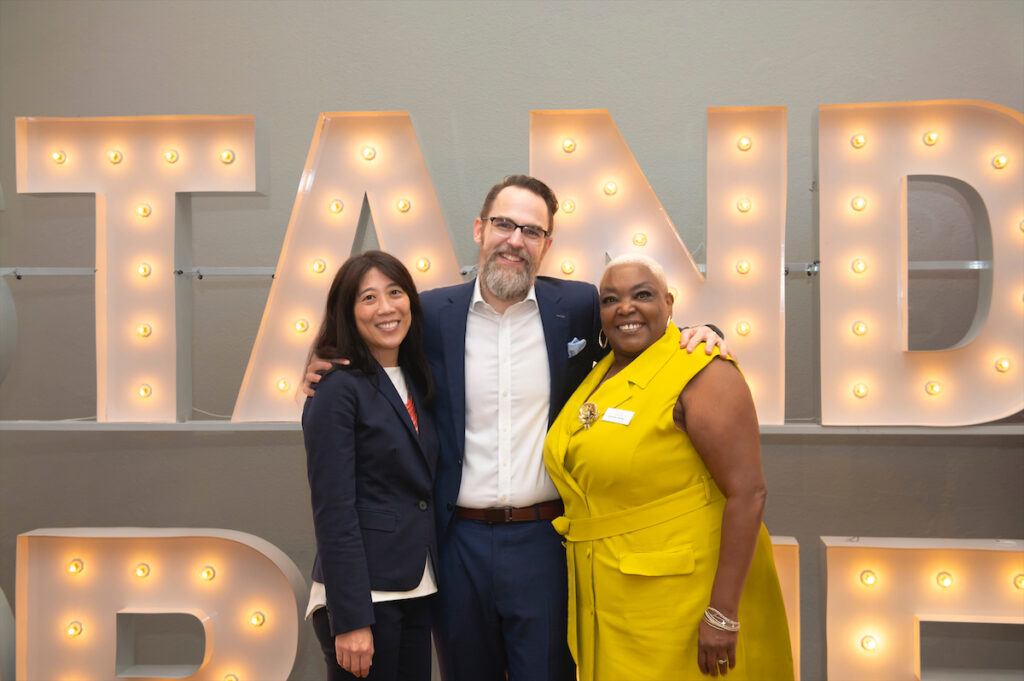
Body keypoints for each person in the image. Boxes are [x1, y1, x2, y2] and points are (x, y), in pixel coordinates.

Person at [305, 175, 728, 681]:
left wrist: (705, 334)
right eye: (504, 224)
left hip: (544, 542)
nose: (515, 240)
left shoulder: (574, 307)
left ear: (548, 245)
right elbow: (370, 337)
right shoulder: (431, 314)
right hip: (453, 543)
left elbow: (640, 319)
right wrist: (323, 363)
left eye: (532, 230)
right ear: (480, 229)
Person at [542, 254, 793, 680]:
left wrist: (722, 615)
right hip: (610, 597)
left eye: (643, 295)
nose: (626, 308)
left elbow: (749, 493)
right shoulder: (597, 373)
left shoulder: (703, 370)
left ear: (669, 302)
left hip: (683, 602)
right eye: (610, 299)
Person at [303, 250, 440, 681]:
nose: (386, 308)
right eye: (368, 298)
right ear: (347, 312)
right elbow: (334, 510)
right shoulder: (336, 388)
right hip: (365, 599)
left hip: (417, 585)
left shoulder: (417, 377)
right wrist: (351, 618)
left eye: (395, 292)